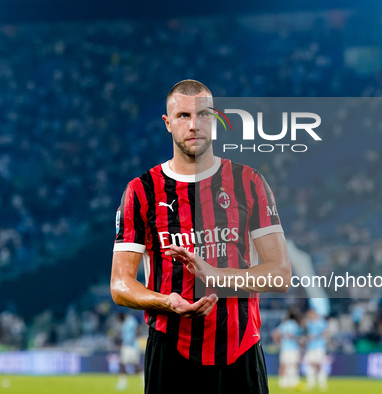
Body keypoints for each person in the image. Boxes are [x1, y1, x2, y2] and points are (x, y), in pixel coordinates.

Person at [111, 79, 291, 394]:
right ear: (167, 124)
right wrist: (166, 301)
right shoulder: (141, 191)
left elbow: (280, 274)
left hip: (241, 350)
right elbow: (120, 285)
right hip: (170, 351)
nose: (194, 125)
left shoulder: (249, 182)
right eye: (183, 116)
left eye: (204, 115)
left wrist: (215, 274)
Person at [273, 310, 302, 389]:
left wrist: (278, 343)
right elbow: (299, 337)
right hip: (292, 348)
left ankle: (283, 383)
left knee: (284, 365)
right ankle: (292, 382)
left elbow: (275, 333)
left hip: (286, 348)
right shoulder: (295, 325)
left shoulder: (285, 324)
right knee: (292, 365)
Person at [116, 312, 142, 391]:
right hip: (134, 346)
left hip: (129, 346)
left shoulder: (129, 322)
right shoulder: (132, 321)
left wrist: (126, 343)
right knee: (136, 365)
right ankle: (144, 381)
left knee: (123, 365)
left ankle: (122, 383)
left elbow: (133, 333)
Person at [303, 309, 328, 391]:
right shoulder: (309, 323)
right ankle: (311, 383)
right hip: (310, 347)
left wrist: (316, 336)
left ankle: (322, 383)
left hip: (319, 346)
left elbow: (325, 332)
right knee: (310, 364)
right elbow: (304, 330)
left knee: (319, 364)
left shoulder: (321, 322)